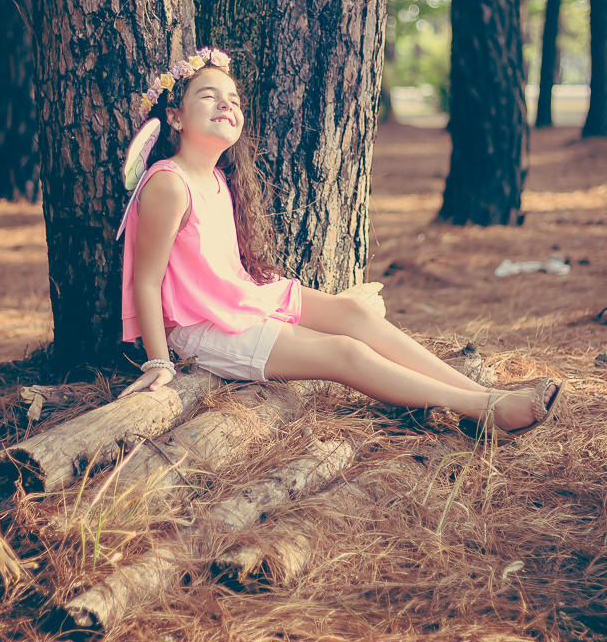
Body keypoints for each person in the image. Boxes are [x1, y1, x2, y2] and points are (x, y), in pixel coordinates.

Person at [118, 48, 563, 440]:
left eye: (233, 99)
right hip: (202, 328)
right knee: (344, 352)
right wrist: (159, 362)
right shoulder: (169, 185)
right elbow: (147, 282)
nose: (226, 105)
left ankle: (486, 394)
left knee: (354, 314)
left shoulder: (216, 177)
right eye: (208, 96)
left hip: (237, 302)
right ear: (175, 116)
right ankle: (485, 409)